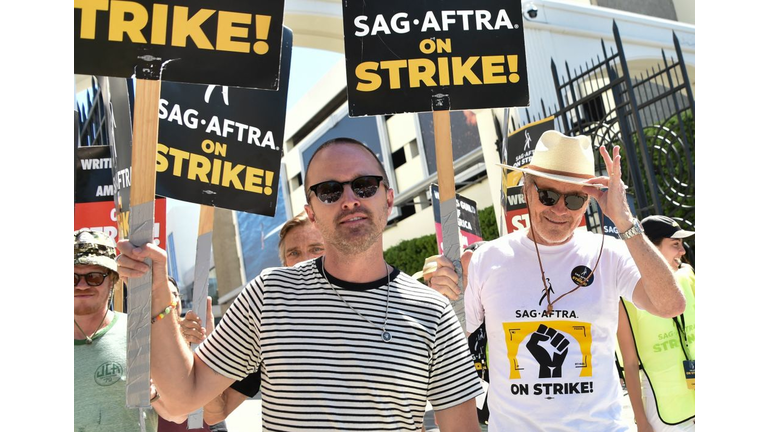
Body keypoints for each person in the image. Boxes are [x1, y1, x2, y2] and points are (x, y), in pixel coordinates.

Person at [116, 137, 484, 431]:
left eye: (365, 185)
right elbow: (183, 400)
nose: (349, 200)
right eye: (329, 191)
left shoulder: (433, 312)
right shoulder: (269, 294)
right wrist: (156, 291)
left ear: (388, 199)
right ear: (311, 212)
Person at [429, 130, 685, 431]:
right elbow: (452, 346)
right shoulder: (488, 259)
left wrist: (625, 220)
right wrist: (443, 299)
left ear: (588, 202)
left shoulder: (609, 253)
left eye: (575, 199)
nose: (560, 209)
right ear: (527, 190)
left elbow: (670, 305)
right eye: (548, 196)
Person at [180, 212, 328, 425]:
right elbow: (215, 413)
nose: (304, 260)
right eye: (294, 253)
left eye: (316, 249)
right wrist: (204, 346)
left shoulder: (373, 303)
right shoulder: (266, 323)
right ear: (284, 264)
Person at [75, 229, 183, 431]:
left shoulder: (143, 333)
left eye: (94, 277)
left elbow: (177, 414)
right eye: (71, 277)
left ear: (113, 280)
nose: (81, 285)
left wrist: (153, 394)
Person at [617, 215, 695, 431]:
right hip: (663, 410)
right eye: (675, 244)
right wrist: (641, 420)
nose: (682, 251)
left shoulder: (687, 277)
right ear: (650, 249)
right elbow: (630, 364)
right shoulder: (626, 296)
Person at [156, 278, 228, 432]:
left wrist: (208, 345)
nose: (172, 299)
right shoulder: (144, 342)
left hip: (207, 425)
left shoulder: (196, 330)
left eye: (174, 294)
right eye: (164, 294)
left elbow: (218, 392)